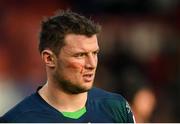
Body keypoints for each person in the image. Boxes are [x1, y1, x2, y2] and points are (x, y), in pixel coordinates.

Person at [1, 10, 135, 123]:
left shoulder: (117, 108)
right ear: (49, 59)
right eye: (80, 55)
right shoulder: (17, 119)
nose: (92, 64)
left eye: (94, 53)